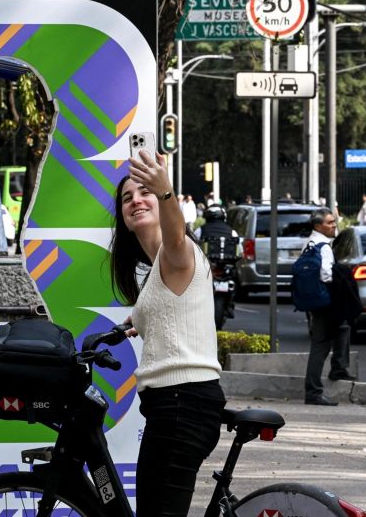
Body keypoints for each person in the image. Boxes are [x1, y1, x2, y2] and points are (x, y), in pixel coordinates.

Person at [110, 150, 225, 516]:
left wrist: (165, 190)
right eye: (127, 198)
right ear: (124, 218)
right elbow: (164, 314)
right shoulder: (158, 273)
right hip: (170, 406)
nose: (135, 201)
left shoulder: (179, 253)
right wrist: (132, 324)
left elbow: (176, 238)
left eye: (144, 193)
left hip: (183, 404)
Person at [302, 208, 355, 406]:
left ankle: (338, 368)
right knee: (320, 346)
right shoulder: (323, 246)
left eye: (334, 221)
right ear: (318, 225)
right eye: (330, 222)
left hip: (314, 301)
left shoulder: (309, 243)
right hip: (325, 302)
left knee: (339, 331)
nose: (334, 225)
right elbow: (326, 275)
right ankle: (314, 392)